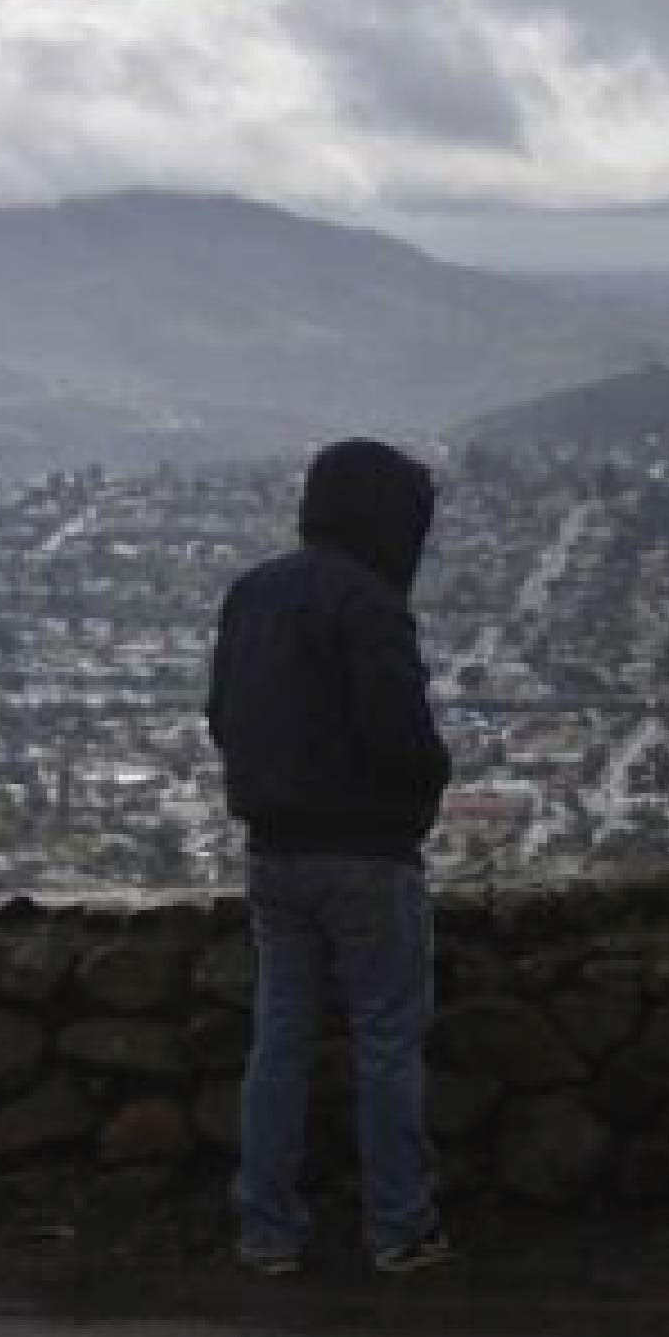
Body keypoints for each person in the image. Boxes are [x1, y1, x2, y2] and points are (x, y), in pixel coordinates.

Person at [206, 440, 457, 1278]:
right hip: (369, 855)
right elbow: (400, 734)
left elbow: (219, 714)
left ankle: (267, 1228)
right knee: (386, 1038)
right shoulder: (370, 603)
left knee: (278, 1037)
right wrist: (427, 784)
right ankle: (398, 1226)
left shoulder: (253, 592)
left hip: (273, 851)